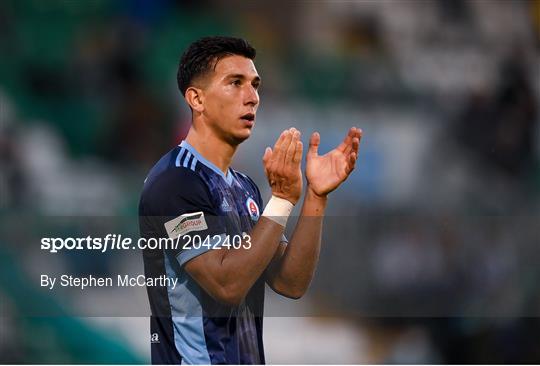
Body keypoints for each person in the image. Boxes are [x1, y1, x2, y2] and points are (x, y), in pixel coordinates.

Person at [139, 36, 361, 364]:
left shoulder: (244, 188)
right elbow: (227, 285)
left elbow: (290, 282)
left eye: (255, 85)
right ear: (196, 99)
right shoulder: (174, 182)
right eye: (235, 83)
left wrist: (315, 196)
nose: (252, 97)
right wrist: (283, 200)